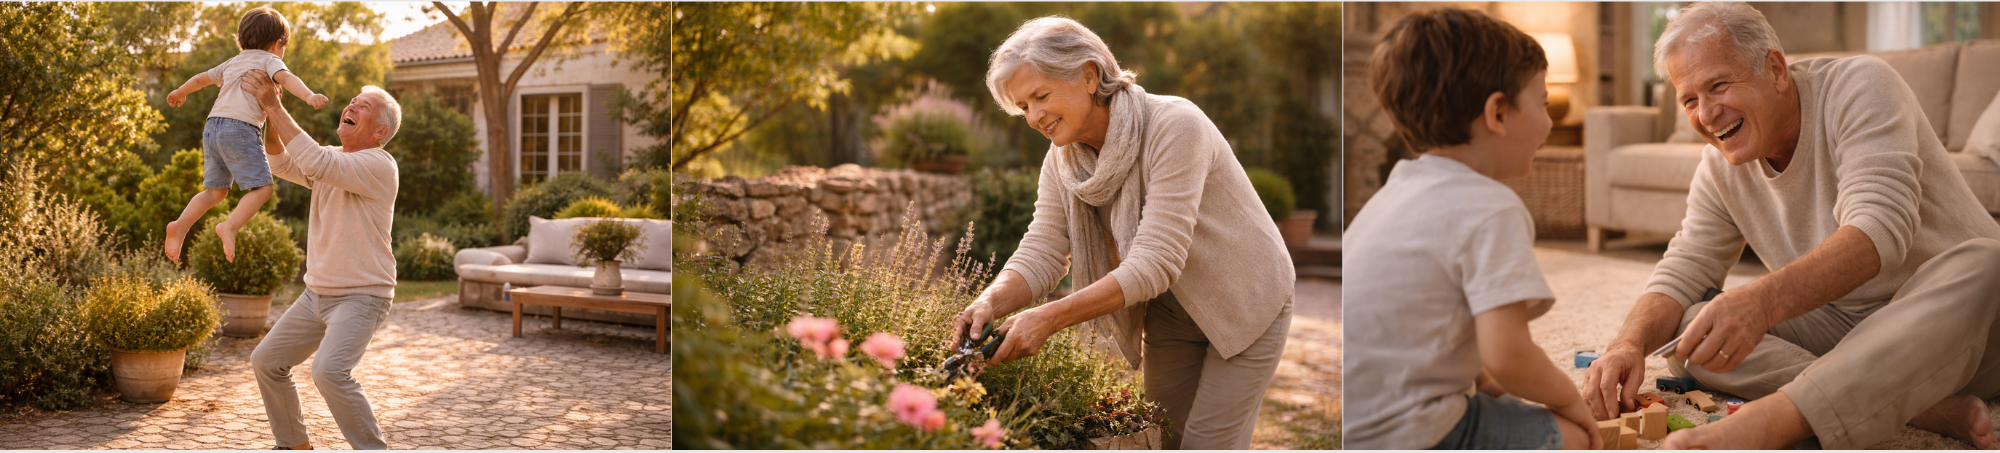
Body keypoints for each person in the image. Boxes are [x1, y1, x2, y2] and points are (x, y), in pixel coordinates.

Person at [1579, 2, 2000, 449]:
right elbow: (1686, 265)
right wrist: (1627, 344)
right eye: (1689, 100)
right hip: (1851, 328)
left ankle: (1769, 423)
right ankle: (1913, 402)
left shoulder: (1860, 85)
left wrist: (1760, 302)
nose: (1706, 114)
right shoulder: (1720, 165)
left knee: (1989, 262)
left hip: (1965, 326)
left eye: (1718, 85)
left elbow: (1880, 229)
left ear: (1776, 70)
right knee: (1694, 333)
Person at [949, 16, 1295, 449]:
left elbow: (1156, 260)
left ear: (1089, 76)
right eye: (1023, 107)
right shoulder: (1064, 160)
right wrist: (989, 301)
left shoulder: (1175, 125)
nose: (1034, 116)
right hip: (1172, 311)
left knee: (1208, 444)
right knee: (1161, 440)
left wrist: (1046, 318)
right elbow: (1044, 249)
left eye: (1041, 96)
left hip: (1247, 296)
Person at [1343, 7, 1600, 450]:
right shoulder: (1491, 208)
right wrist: (1571, 401)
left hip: (1355, 425)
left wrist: (1486, 383)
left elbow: (1428, 324)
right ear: (1497, 113)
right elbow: (1509, 355)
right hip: (1416, 433)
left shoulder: (1390, 195)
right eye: (1542, 101)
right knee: (1577, 438)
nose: (1550, 121)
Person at [237, 67, 400, 450]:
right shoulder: (329, 158)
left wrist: (274, 104)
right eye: (353, 102)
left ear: (379, 131)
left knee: (329, 371)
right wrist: (269, 117)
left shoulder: (379, 165)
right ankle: (293, 444)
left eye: (364, 106)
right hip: (316, 296)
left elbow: (317, 163)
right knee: (267, 362)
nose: (353, 105)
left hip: (362, 295)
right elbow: (281, 162)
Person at [161, 6, 330, 264]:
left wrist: (180, 92)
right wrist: (309, 96)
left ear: (241, 40)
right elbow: (287, 79)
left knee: (215, 192)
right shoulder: (269, 60)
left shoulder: (233, 62)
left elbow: (200, 79)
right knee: (263, 189)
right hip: (240, 129)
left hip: (212, 128)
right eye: (283, 48)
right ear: (276, 44)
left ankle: (180, 225)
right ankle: (229, 226)